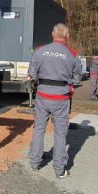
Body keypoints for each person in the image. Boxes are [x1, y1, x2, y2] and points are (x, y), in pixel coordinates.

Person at [27, 22, 83, 178]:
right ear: (67, 36)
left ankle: (35, 164)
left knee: (39, 128)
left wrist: (41, 80)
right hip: (61, 98)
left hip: (43, 96)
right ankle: (59, 170)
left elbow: (31, 73)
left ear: (52, 34)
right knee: (60, 134)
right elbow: (77, 79)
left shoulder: (40, 51)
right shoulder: (72, 54)